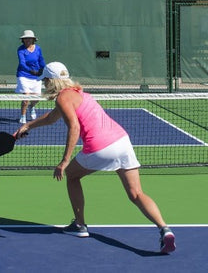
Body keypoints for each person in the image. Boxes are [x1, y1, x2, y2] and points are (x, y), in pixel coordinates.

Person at [14, 62, 176, 254]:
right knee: (136, 193)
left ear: (51, 81)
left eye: (46, 80)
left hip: (101, 147)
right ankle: (165, 230)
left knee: (72, 175)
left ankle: (80, 226)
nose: (44, 84)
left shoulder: (63, 98)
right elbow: (51, 117)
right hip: (122, 141)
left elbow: (74, 127)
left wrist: (64, 162)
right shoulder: (78, 94)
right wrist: (28, 126)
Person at [15, 30, 46, 124]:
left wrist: (44, 69)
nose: (27, 40)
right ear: (23, 40)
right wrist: (31, 71)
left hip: (36, 76)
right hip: (23, 75)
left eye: (29, 38)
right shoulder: (20, 50)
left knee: (36, 98)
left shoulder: (38, 49)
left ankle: (32, 107)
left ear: (33, 40)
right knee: (26, 97)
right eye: (25, 39)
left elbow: (41, 59)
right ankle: (23, 116)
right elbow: (22, 63)